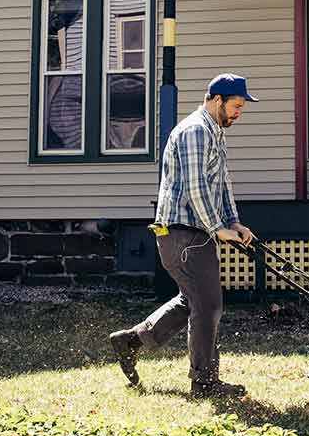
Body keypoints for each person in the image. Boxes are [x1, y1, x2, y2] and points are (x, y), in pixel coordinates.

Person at [109, 74, 258, 398]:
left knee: (191, 300)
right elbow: (195, 187)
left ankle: (131, 341)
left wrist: (234, 222)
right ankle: (204, 382)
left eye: (242, 108)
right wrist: (218, 227)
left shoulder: (214, 133)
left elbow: (221, 185)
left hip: (195, 231)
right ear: (217, 99)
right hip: (182, 232)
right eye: (235, 106)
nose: (238, 113)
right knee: (208, 304)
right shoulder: (195, 131)